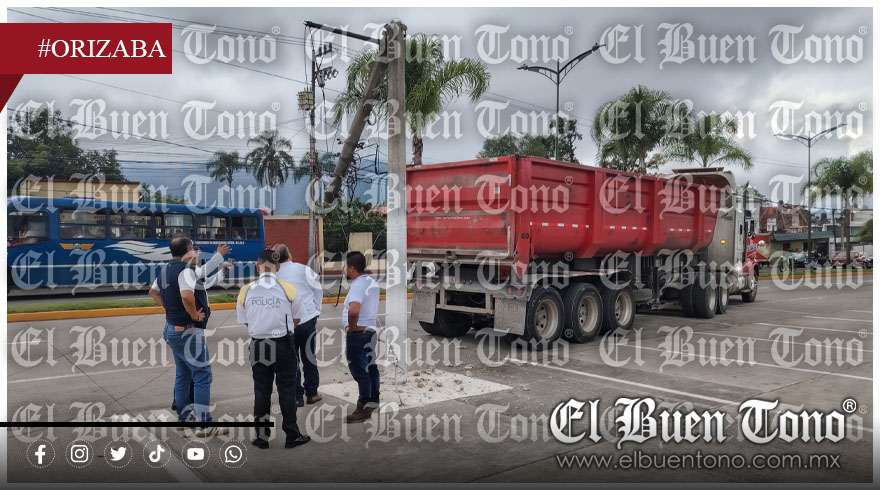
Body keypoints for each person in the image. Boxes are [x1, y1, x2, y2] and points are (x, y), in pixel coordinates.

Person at [149, 238, 231, 438]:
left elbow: (153, 292)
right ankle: (204, 425)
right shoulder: (186, 270)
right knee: (202, 376)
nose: (196, 251)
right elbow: (187, 296)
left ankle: (184, 420)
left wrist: (171, 309)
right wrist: (194, 315)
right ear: (188, 249)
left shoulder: (166, 270)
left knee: (183, 375)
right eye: (193, 248)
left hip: (172, 329)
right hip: (188, 331)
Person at [237, 249, 312, 449]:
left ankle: (262, 437)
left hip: (259, 345)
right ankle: (292, 435)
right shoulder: (289, 288)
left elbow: (245, 320)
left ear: (257, 267)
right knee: (287, 390)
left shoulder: (246, 290)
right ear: (277, 268)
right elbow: (297, 318)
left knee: (261, 391)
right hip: (283, 345)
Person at [272, 244, 324, 407]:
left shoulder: (274, 276)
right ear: (290, 254)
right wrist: (316, 310)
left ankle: (296, 397)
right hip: (307, 320)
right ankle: (312, 393)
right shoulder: (304, 269)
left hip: (287, 325)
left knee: (291, 361)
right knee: (309, 358)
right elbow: (318, 289)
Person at [341, 251, 381, 424]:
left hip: (358, 334)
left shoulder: (358, 284)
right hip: (370, 332)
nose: (344, 270)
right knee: (371, 367)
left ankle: (363, 406)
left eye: (345, 266)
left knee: (360, 370)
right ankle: (374, 399)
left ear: (352, 268)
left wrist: (352, 327)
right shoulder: (371, 282)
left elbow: (354, 310)